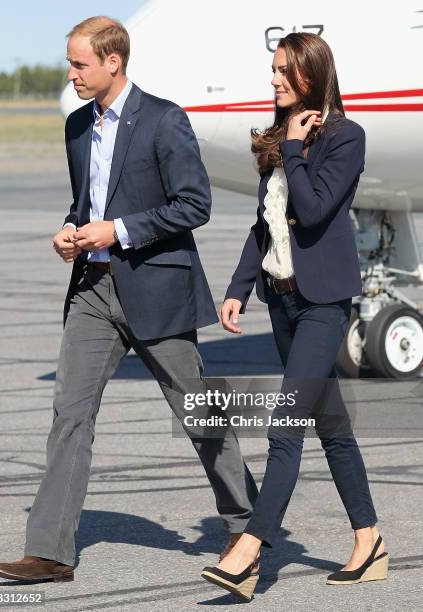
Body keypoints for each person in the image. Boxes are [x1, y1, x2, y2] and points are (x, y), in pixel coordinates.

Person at [0, 16, 258, 583]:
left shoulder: (163, 120)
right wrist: (71, 231)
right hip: (93, 289)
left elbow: (194, 204)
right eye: (70, 62)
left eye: (79, 63)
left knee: (196, 409)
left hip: (156, 287)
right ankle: (50, 552)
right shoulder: (74, 128)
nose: (72, 74)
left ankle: (246, 525)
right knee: (70, 414)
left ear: (114, 62)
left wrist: (119, 230)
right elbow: (85, 203)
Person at [201, 32, 388, 601]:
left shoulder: (344, 138)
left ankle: (247, 553)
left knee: (285, 430)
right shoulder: (286, 139)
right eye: (274, 68)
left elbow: (310, 211)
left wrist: (298, 150)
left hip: (322, 305)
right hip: (282, 302)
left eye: (284, 69)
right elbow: (266, 225)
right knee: (331, 428)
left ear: (311, 73)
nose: (274, 78)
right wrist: (237, 288)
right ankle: (370, 540)